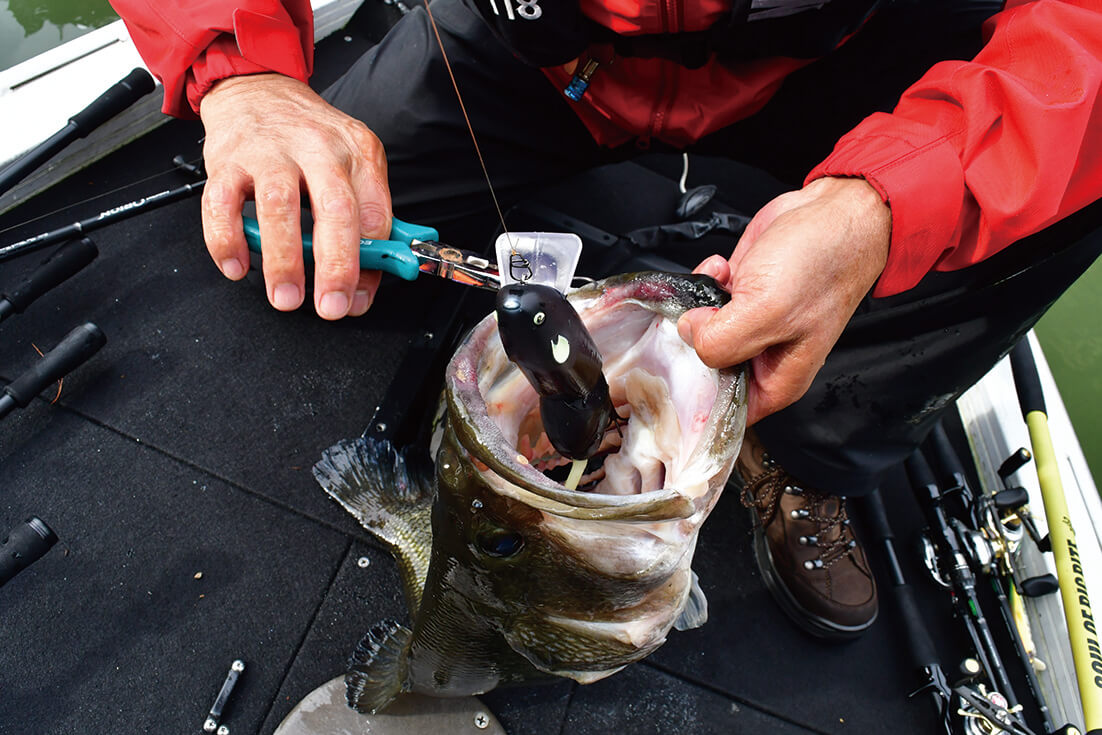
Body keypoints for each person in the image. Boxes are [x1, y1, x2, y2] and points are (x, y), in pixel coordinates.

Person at [110, 0, 1102, 640]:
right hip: (542, 51)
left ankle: (809, 456)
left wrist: (890, 200)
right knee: (298, 221)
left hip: (856, 60)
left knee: (1047, 203)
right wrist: (241, 72)